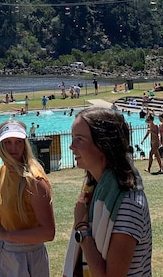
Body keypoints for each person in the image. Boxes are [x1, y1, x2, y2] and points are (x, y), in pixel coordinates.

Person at [63, 106, 152, 277]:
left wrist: (82, 227)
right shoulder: (94, 189)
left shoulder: (128, 203)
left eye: (79, 139)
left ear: (103, 145)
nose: (71, 146)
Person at [0, 120, 55, 277]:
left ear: (25, 144)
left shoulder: (34, 180)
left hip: (29, 258)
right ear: (0, 145)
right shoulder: (3, 171)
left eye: (18, 142)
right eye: (8, 142)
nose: (13, 148)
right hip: (5, 253)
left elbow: (48, 233)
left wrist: (5, 235)